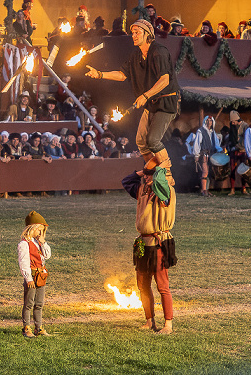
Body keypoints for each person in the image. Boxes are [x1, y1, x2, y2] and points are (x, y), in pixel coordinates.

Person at [85, 19, 180, 183]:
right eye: (133, 32)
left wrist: (145, 95)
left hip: (166, 102)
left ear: (148, 34)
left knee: (152, 140)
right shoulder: (136, 55)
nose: (134, 36)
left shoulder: (159, 51)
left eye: (137, 32)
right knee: (141, 142)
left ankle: (167, 174)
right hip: (151, 103)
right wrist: (100, 74)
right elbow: (122, 75)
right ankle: (154, 171)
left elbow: (164, 80)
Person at [122, 163, 176, 335]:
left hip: (158, 241)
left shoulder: (165, 190)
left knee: (162, 285)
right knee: (143, 285)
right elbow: (126, 181)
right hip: (143, 243)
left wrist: (158, 171)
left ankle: (168, 324)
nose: (145, 177)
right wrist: (143, 171)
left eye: (149, 174)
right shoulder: (142, 189)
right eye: (144, 174)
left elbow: (161, 184)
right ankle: (149, 320)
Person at [17, 211, 52, 338]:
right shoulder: (24, 244)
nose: (40, 233)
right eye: (39, 230)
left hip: (41, 277)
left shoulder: (38, 242)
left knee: (39, 303)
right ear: (32, 228)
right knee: (29, 303)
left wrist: (43, 242)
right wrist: (28, 278)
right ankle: (26, 327)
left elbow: (47, 256)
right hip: (32, 276)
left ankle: (39, 327)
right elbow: (23, 262)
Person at [193, 115, 222, 197]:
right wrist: (196, 154)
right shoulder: (200, 131)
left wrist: (220, 150)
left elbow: (216, 144)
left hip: (211, 155)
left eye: (211, 121)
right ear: (205, 121)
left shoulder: (213, 132)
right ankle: (204, 190)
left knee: (209, 173)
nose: (209, 122)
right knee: (205, 172)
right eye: (208, 120)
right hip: (204, 154)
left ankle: (206, 189)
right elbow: (197, 143)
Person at [226, 110, 250, 196]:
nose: (232, 123)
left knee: (243, 170)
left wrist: (239, 146)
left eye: (233, 121)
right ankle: (232, 189)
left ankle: (243, 188)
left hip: (242, 151)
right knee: (232, 170)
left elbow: (246, 139)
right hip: (234, 151)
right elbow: (231, 138)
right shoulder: (232, 126)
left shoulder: (245, 126)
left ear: (237, 120)